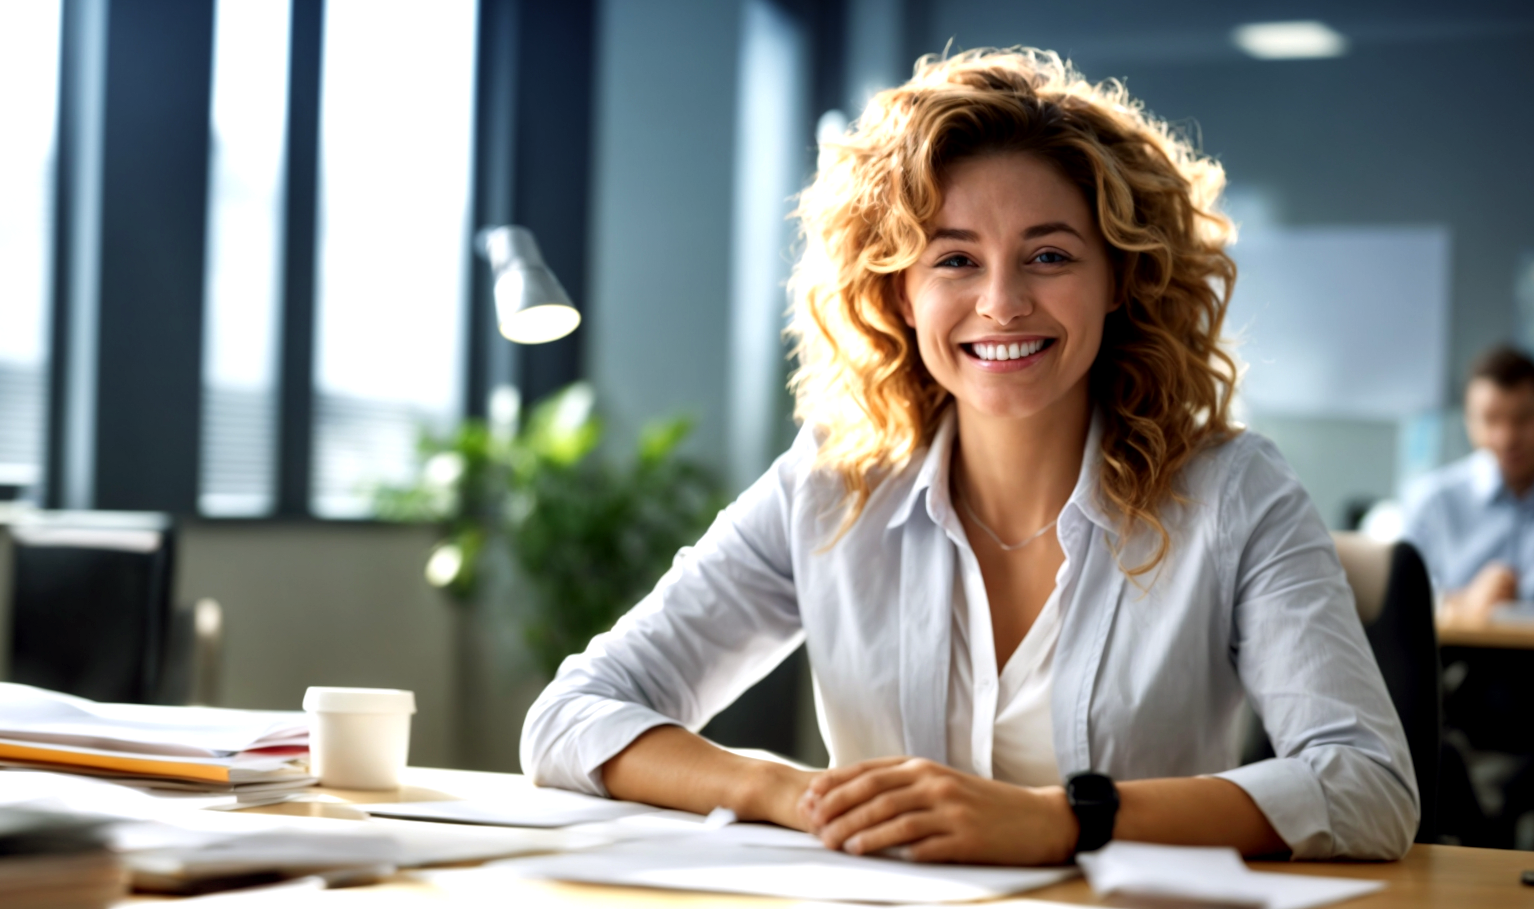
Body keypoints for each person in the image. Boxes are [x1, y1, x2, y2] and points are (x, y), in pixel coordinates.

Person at [521, 49, 1417, 864]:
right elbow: (570, 716)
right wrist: (787, 792)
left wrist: (1068, 817)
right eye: (954, 260)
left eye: (1050, 255)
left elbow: (1369, 785)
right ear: (899, 293)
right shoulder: (831, 484)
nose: (1001, 302)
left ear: (1120, 281)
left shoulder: (1234, 491)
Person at [1402, 345, 1534, 625]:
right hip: (1457, 661)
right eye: (1491, 420)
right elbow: (1397, 603)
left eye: (1523, 419)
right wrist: (1464, 603)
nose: (1507, 437)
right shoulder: (1434, 499)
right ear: (1468, 420)